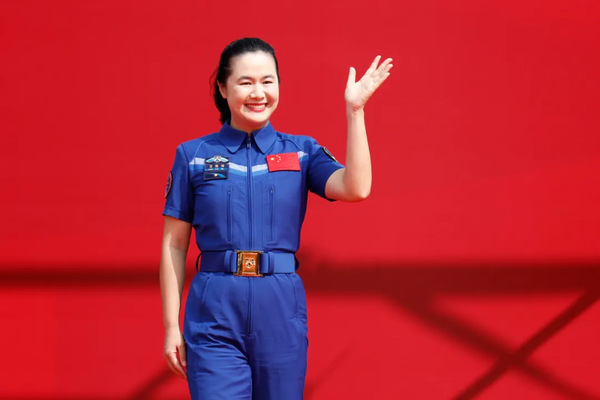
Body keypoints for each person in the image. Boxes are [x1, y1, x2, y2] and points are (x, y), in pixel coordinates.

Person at [159, 37, 392, 400]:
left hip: (280, 309)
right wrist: (171, 326)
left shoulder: (302, 152)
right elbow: (174, 244)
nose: (258, 93)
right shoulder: (194, 155)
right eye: (245, 82)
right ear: (223, 88)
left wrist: (355, 111)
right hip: (214, 311)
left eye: (268, 81)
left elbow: (356, 188)